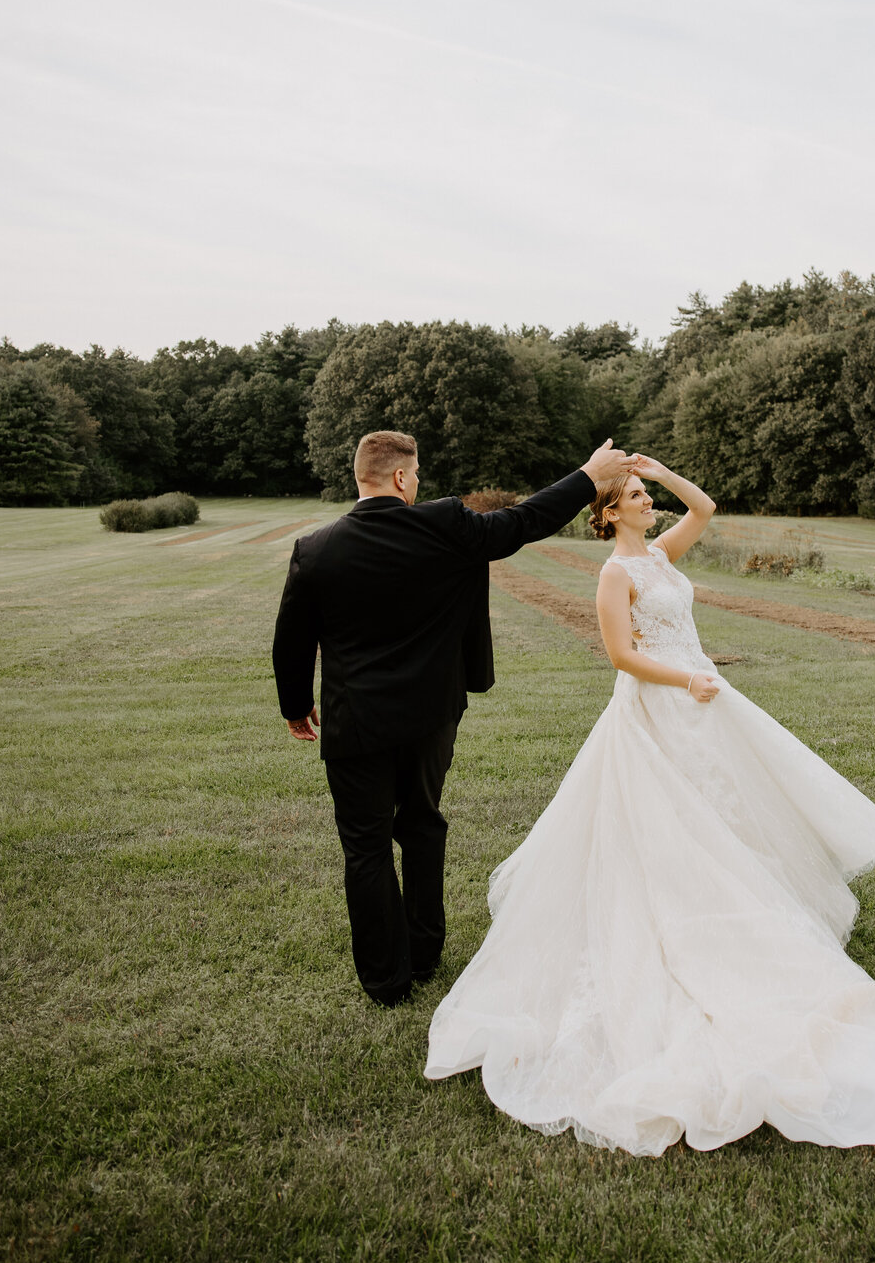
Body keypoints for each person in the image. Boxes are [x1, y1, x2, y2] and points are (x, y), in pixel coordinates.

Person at [425, 456, 875, 1154]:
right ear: (609, 512)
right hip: (660, 709)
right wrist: (687, 677)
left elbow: (705, 508)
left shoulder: (659, 554)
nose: (650, 502)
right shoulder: (615, 573)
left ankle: (748, 911)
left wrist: (662, 468)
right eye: (638, 496)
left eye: (648, 494)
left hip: (702, 707)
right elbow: (620, 655)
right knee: (672, 832)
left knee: (732, 822)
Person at [272, 429, 636, 1008]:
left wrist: (296, 707)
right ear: (398, 477)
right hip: (431, 716)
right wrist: (589, 476)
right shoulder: (445, 525)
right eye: (414, 474)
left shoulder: (315, 549)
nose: (418, 484)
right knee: (421, 825)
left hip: (354, 722)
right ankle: (424, 952)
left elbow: (291, 640)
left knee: (364, 848)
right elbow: (524, 522)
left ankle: (385, 983)